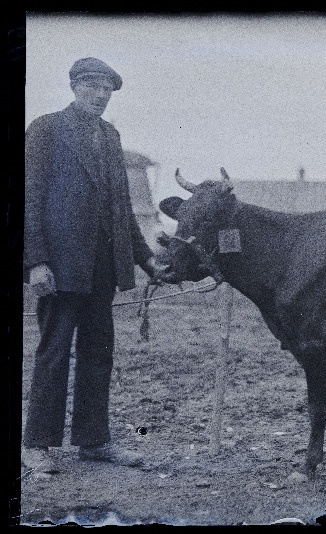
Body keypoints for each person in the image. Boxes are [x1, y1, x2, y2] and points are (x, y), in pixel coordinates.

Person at [22, 57, 161, 475]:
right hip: (60, 265)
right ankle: (38, 445)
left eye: (107, 90)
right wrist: (36, 262)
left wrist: (146, 259)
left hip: (103, 267)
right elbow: (30, 199)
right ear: (74, 87)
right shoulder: (47, 129)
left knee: (98, 351)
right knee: (55, 351)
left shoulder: (110, 135)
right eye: (93, 87)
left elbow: (122, 208)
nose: (101, 96)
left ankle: (93, 441)